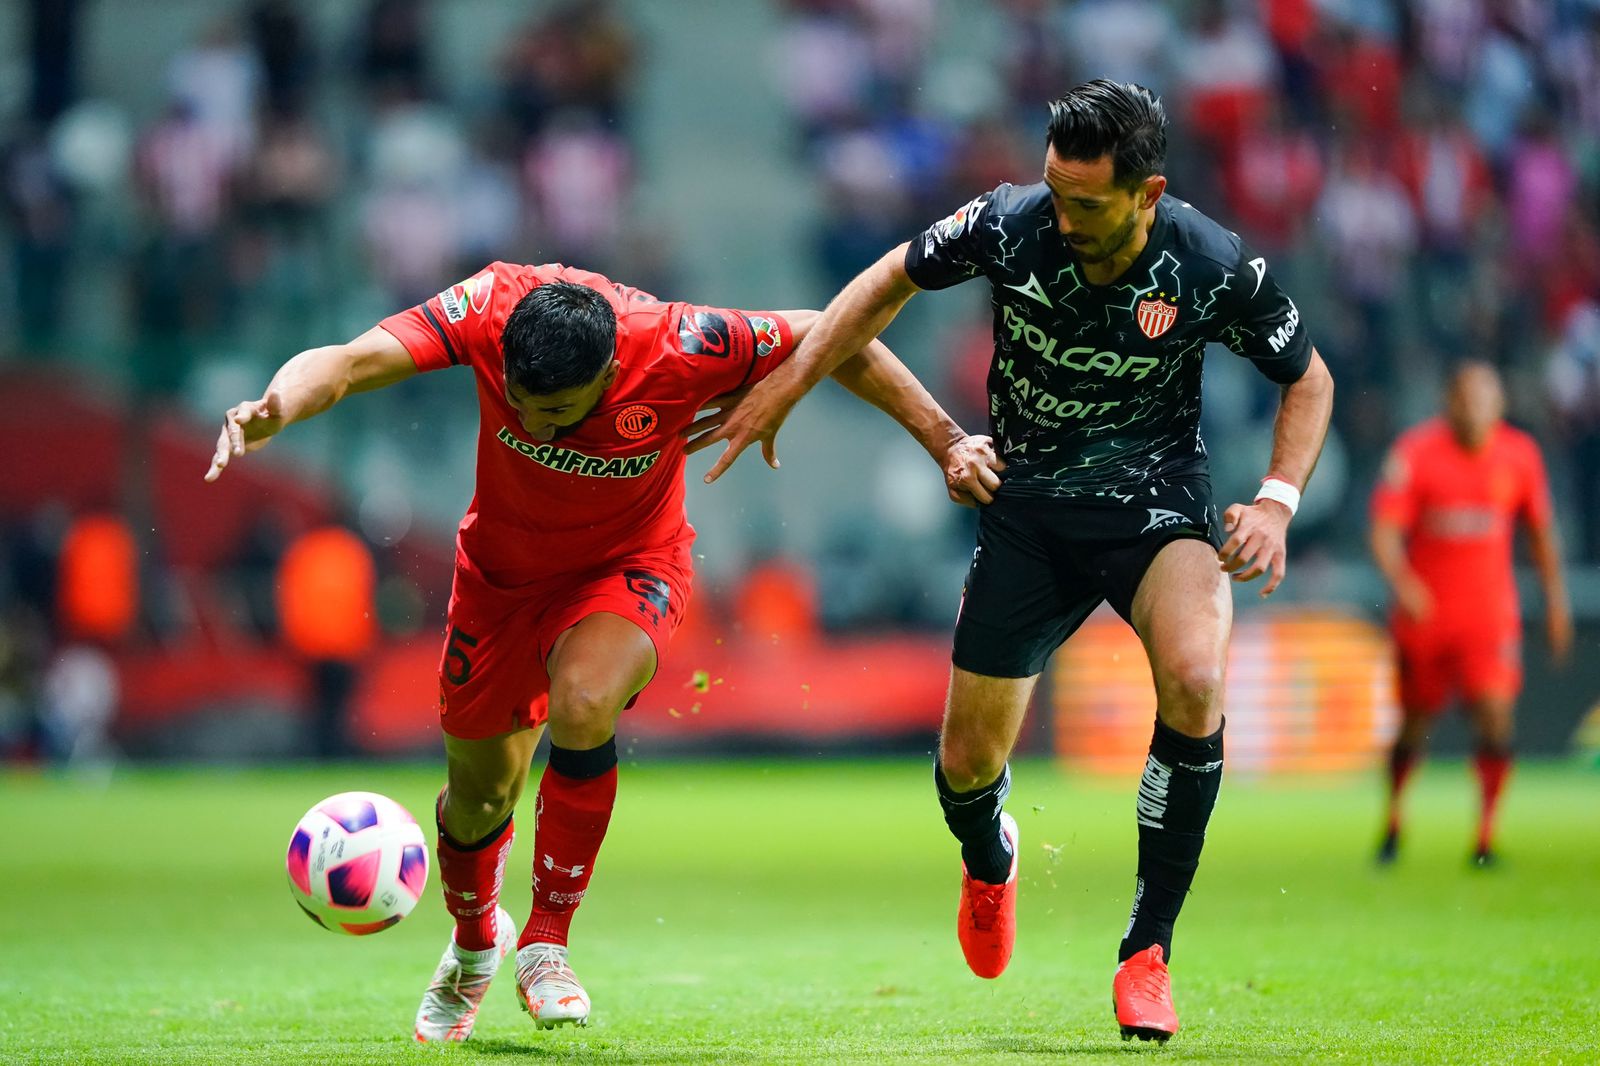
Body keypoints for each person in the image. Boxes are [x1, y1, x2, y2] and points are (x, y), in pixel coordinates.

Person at [204, 261, 993, 1041]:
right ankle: (477, 946)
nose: (533, 424)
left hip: (631, 568)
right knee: (479, 799)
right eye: (519, 402)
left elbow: (844, 331)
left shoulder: (683, 344)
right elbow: (346, 362)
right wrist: (279, 405)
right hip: (501, 583)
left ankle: (547, 941)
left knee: (584, 702)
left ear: (612, 371)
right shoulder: (489, 307)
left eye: (556, 411)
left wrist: (947, 441)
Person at [696, 80, 1334, 1043]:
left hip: (1154, 501)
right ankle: (990, 857)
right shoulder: (1007, 222)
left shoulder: (1209, 264)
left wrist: (1278, 503)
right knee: (964, 766)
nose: (1063, 219)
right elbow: (884, 283)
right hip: (1025, 508)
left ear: (1147, 194)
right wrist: (820, 392)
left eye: (1088, 204)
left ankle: (1147, 954)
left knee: (1198, 681)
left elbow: (1309, 379)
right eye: (1054, 193)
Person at [1370, 361, 1571, 867]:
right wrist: (1403, 582)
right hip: (1427, 615)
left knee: (1495, 719)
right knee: (1414, 724)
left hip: (1489, 617)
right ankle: (1394, 820)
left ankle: (1485, 836)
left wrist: (1555, 603)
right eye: (1466, 398)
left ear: (1500, 404)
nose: (1475, 409)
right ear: (1449, 401)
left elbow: (1541, 534)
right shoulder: (1415, 453)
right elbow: (1384, 529)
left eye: (1485, 399)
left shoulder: (1520, 455)